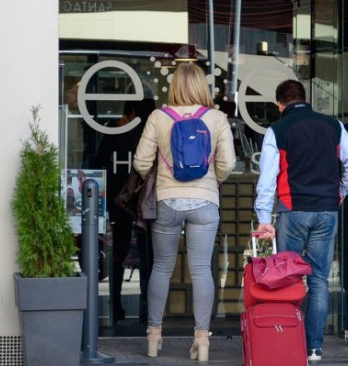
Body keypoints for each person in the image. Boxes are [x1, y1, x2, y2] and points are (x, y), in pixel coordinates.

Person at [254, 80, 348, 362]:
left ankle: (289, 340)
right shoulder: (333, 126)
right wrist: (339, 192)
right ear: (306, 98)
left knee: (287, 279)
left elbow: (267, 179)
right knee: (318, 279)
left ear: (280, 104)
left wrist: (264, 219)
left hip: (293, 209)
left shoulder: (278, 130)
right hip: (327, 211)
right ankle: (314, 348)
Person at [133, 62, 236, 362]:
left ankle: (154, 336)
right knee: (202, 269)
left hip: (167, 200)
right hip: (205, 202)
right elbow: (228, 165)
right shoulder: (217, 119)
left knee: (162, 268)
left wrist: (160, 176)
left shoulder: (158, 117)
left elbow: (141, 162)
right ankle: (201, 340)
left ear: (174, 86)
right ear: (203, 86)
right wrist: (212, 180)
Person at [94, 94, 156, 324]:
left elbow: (98, 161)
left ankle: (116, 306)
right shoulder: (151, 134)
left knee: (118, 253)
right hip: (145, 203)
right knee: (148, 256)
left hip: (119, 200)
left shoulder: (115, 132)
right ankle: (146, 309)